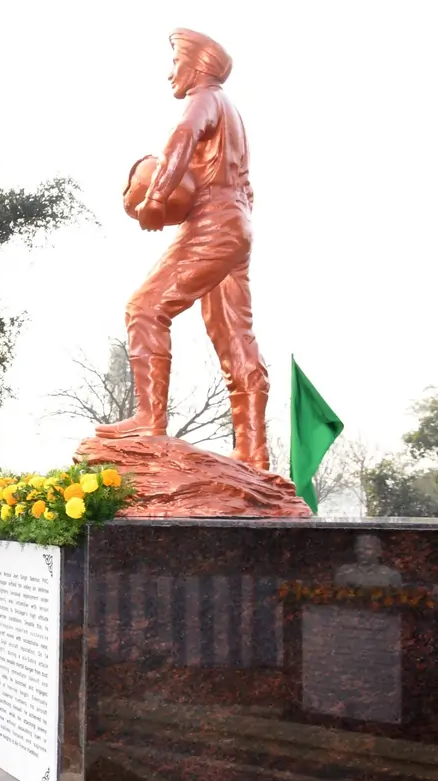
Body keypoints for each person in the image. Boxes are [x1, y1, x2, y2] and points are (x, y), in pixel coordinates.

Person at [97, 29, 271, 470]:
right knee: (235, 338)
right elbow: (246, 185)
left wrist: (156, 196)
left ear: (196, 68)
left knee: (145, 307)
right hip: (236, 223)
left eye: (175, 64)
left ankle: (149, 419)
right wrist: (237, 222)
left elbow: (181, 137)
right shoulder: (232, 113)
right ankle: (254, 452)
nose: (170, 74)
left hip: (214, 221)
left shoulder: (206, 98)